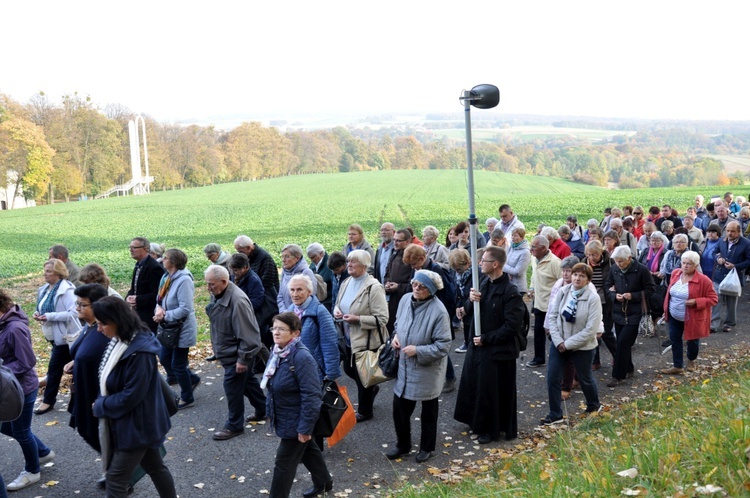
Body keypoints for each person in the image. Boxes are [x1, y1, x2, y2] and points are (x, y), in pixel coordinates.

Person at [91, 297, 176, 498]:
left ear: (118, 321)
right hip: (136, 423)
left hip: (137, 426)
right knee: (155, 467)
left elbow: (131, 396)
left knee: (116, 479)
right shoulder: (122, 342)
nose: (99, 329)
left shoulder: (140, 352)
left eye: (103, 324)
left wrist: (100, 405)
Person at [454, 246, 526, 443]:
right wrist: (471, 301)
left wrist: (486, 338)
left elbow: (512, 326)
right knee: (474, 384)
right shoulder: (483, 283)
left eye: (483, 260)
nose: (480, 263)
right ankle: (475, 421)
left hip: (497, 350)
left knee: (491, 390)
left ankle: (491, 429)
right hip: (478, 345)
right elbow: (471, 312)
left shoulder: (510, 291)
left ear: (495, 264)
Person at [262, 313, 333, 498]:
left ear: (295, 334)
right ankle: (324, 483)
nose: (276, 332)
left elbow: (312, 395)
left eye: (282, 329)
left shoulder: (301, 357)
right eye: (274, 328)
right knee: (308, 450)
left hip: (297, 420)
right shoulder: (278, 350)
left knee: (283, 464)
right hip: (285, 416)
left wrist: (305, 427)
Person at [386, 270, 451, 463]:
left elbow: (443, 345)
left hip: (427, 370)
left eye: (422, 287)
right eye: (415, 284)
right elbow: (398, 323)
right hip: (404, 365)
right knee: (399, 409)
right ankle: (403, 444)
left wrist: (419, 351)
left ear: (431, 290)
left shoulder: (439, 311)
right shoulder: (406, 300)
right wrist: (395, 337)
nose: (416, 288)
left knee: (428, 411)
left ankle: (427, 447)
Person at [0, 290, 55, 491]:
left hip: (21, 389)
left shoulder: (14, 328)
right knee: (5, 427)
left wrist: (2, 369)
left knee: (21, 432)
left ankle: (32, 471)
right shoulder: (3, 324)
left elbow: (28, 362)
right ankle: (42, 451)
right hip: (8, 387)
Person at [204, 265, 266, 440]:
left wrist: (243, 359)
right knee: (247, 384)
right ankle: (264, 410)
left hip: (237, 356)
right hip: (230, 353)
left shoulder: (237, 301)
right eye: (207, 284)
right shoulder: (219, 293)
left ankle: (234, 426)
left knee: (232, 390)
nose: (208, 288)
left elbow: (249, 335)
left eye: (211, 285)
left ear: (224, 282)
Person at [542, 263, 602, 424]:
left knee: (585, 378)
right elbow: (553, 317)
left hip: (582, 346)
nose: (577, 278)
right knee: (553, 377)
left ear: (588, 280)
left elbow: (591, 329)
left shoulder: (592, 297)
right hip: (559, 343)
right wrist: (558, 341)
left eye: (582, 276)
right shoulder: (563, 292)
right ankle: (555, 414)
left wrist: (568, 344)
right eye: (575, 274)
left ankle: (593, 406)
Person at [333, 250, 388, 422]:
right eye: (348, 261)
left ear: (364, 266)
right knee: (349, 369)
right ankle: (371, 388)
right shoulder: (347, 282)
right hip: (348, 337)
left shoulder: (374, 287)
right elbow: (339, 303)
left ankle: (365, 411)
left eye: (353, 262)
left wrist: (358, 319)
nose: (349, 264)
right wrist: (336, 310)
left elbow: (383, 318)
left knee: (361, 375)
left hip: (366, 339)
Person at [401, 245, 457, 393]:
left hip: (436, 315)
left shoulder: (436, 270)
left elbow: (447, 295)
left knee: (438, 346)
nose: (413, 267)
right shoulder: (419, 270)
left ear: (422, 258)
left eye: (414, 264)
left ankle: (449, 377)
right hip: (422, 312)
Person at [65, 284, 110, 453]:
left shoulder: (105, 331)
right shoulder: (88, 326)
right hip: (83, 391)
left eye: (82, 305)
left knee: (99, 435)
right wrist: (76, 362)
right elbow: (86, 352)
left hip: (94, 395)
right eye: (77, 303)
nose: (77, 308)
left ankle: (116, 473)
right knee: (88, 432)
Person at [153, 249, 201, 410]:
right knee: (164, 357)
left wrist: (164, 315)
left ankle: (187, 397)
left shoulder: (184, 280)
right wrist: (158, 310)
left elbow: (185, 308)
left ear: (173, 262)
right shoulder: (166, 277)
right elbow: (159, 299)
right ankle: (192, 379)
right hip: (168, 328)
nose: (161, 260)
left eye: (165, 258)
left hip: (181, 329)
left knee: (178, 364)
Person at [33, 258, 79, 415]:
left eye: (49, 271)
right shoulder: (45, 289)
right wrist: (38, 314)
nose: (45, 274)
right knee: (71, 368)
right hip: (54, 337)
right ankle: (78, 400)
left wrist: (49, 316)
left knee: (54, 369)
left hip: (66, 338)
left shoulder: (66, 290)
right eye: (44, 270)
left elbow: (73, 313)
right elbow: (42, 306)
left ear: (58, 273)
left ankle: (48, 401)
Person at [605, 246, 655, 387]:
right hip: (619, 311)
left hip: (635, 312)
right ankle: (629, 368)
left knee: (622, 343)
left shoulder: (642, 269)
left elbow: (651, 289)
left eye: (621, 261)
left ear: (629, 258)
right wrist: (615, 296)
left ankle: (617, 376)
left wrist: (633, 296)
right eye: (616, 261)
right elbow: (608, 285)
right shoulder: (614, 268)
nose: (618, 264)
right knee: (623, 343)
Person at [661, 252, 718, 375]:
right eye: (683, 263)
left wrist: (697, 302)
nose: (685, 266)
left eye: (689, 264)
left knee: (692, 341)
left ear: (696, 265)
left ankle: (691, 360)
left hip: (692, 317)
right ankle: (678, 366)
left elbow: (713, 299)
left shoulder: (703, 280)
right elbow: (669, 293)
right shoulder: (676, 274)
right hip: (674, 315)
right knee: (674, 339)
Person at [286, 275, 340, 382]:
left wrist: (331, 374)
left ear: (309, 291)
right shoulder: (290, 310)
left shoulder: (320, 312)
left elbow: (330, 344)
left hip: (315, 371)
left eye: (299, 290)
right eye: (292, 290)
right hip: (295, 369)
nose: (295, 294)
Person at [526, 236, 562, 368]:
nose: (531, 249)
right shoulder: (534, 259)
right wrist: (531, 288)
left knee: (553, 334)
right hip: (538, 303)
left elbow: (563, 283)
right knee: (538, 333)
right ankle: (539, 358)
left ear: (543, 248)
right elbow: (534, 275)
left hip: (551, 305)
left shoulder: (555, 263)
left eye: (534, 247)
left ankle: (561, 359)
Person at [710, 221, 750, 333]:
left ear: (739, 231)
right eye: (728, 231)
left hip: (734, 277)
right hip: (719, 275)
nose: (729, 233)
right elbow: (714, 252)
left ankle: (729, 323)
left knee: (731, 302)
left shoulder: (746, 243)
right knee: (716, 300)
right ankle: (714, 324)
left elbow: (749, 260)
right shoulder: (722, 240)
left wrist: (735, 266)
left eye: (733, 231)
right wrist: (718, 258)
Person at [584, 241, 616, 371]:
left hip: (605, 302)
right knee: (593, 333)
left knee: (606, 332)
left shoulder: (610, 263)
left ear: (601, 252)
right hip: (589, 303)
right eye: (589, 255)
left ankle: (617, 355)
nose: (592, 257)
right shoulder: (584, 262)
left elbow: (614, 279)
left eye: (595, 254)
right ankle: (595, 360)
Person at [125, 237, 164, 332]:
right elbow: (134, 288)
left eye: (134, 247)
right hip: (138, 315)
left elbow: (158, 294)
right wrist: (128, 298)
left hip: (149, 317)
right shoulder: (138, 265)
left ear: (145, 249)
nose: (131, 250)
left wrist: (137, 299)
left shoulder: (154, 268)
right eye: (130, 247)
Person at [384, 229, 414, 333]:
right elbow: (387, 273)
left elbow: (414, 283)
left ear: (407, 241)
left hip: (407, 300)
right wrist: (387, 284)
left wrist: (399, 287)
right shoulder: (394, 254)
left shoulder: (412, 257)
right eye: (394, 240)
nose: (395, 243)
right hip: (393, 299)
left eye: (398, 241)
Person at [277, 244, 317, 311]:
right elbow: (280, 297)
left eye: (287, 257)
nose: (283, 260)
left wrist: (295, 314)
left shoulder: (306, 272)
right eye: (282, 257)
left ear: (297, 258)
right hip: (286, 316)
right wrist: (284, 312)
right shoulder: (284, 272)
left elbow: (311, 297)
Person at [449, 249, 472, 354]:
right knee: (466, 323)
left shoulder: (476, 274)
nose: (457, 272)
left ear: (467, 263)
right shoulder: (456, 275)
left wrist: (466, 307)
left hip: (472, 304)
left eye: (459, 269)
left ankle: (470, 342)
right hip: (463, 302)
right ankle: (467, 342)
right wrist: (458, 306)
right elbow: (458, 292)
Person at [306, 243, 333, 312]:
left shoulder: (330, 265)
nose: (311, 260)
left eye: (313, 257)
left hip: (328, 302)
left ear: (321, 253)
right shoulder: (313, 265)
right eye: (310, 258)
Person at [505, 227, 531, 294]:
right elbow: (505, 261)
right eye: (512, 235)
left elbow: (518, 272)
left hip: (518, 287)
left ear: (522, 237)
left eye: (515, 236)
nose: (513, 237)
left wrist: (503, 267)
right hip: (508, 284)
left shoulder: (525, 252)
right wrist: (508, 272)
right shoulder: (511, 247)